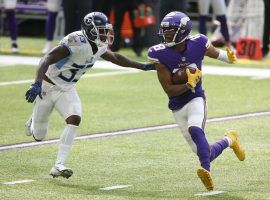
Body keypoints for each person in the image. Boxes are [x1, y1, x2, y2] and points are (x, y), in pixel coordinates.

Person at [24, 12, 155, 179]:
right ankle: (33, 119)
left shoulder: (99, 45)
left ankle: (58, 165)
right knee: (39, 135)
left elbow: (114, 56)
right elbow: (47, 58)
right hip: (47, 86)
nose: (105, 34)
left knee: (74, 118)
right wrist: (36, 82)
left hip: (68, 88)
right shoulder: (75, 42)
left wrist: (142, 66)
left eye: (106, 30)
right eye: (101, 30)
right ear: (90, 30)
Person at [147, 11, 245, 191]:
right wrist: (187, 84)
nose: (166, 34)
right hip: (177, 104)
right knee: (205, 151)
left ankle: (205, 170)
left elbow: (214, 52)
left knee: (195, 128)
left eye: (171, 31)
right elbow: (169, 89)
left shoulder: (198, 43)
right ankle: (230, 139)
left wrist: (227, 57)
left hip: (196, 98)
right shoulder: (159, 54)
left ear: (183, 31)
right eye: (165, 31)